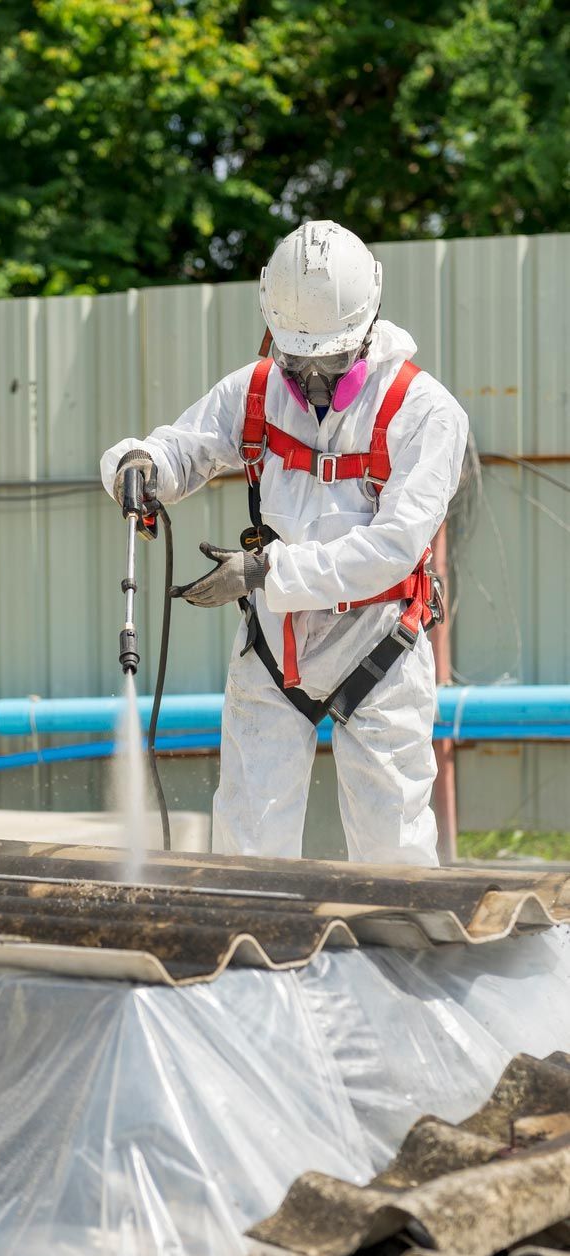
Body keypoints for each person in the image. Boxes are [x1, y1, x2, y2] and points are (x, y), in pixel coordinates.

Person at [101, 220, 468, 865]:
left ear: (367, 329)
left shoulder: (426, 413)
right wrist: (140, 464)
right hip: (275, 646)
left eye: (330, 363)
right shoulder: (256, 390)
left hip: (379, 642)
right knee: (248, 843)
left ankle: (403, 961)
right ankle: (251, 961)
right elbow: (184, 447)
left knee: (392, 849)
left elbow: (393, 549)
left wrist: (263, 572)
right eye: (299, 362)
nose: (313, 383)